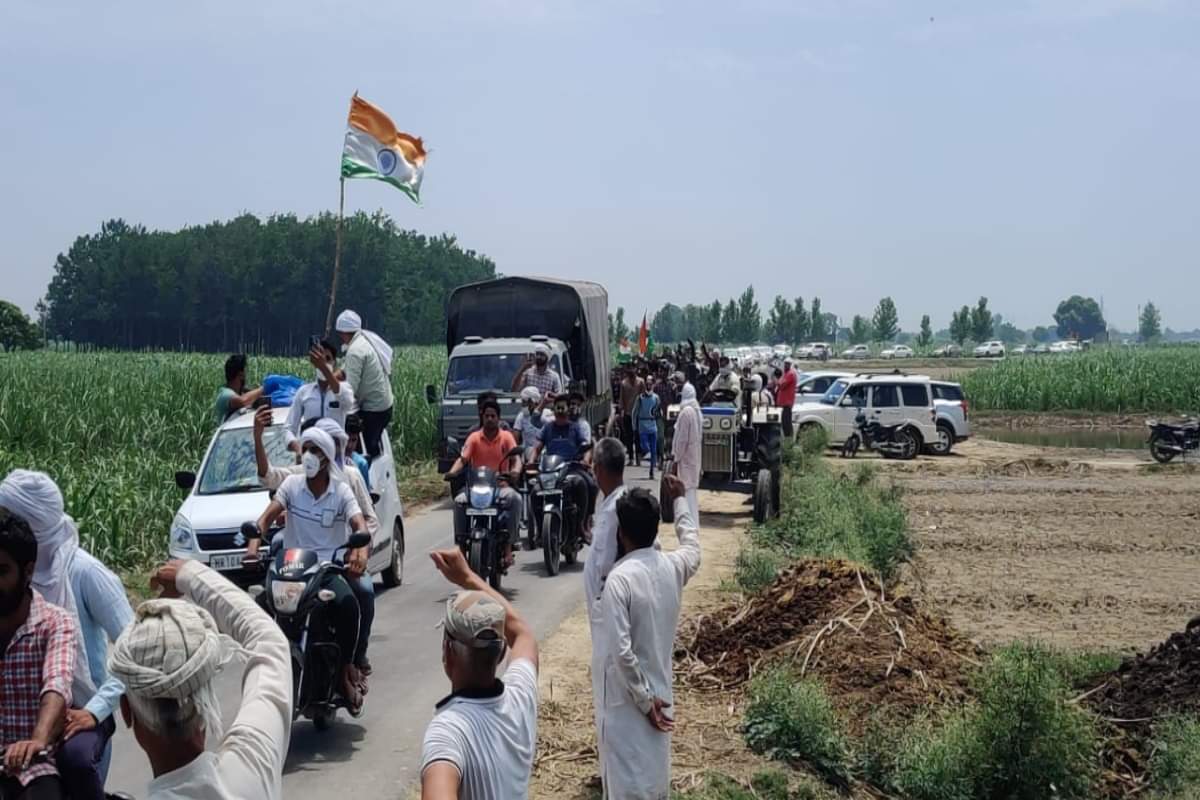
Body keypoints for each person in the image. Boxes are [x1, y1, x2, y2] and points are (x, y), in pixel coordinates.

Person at [108, 558, 291, 800]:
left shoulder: (253, 759)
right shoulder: (252, 764)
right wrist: (190, 574)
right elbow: (269, 642)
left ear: (126, 712)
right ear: (206, 702)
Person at [0, 472, 134, 800]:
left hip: (82, 711)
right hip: (20, 712)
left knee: (75, 764)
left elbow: (136, 650)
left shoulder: (85, 573)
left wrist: (97, 710)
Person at [246, 426, 371, 708]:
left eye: (315, 450)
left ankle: (346, 670)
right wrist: (252, 548)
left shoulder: (341, 491)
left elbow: (359, 524)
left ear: (327, 457)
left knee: (349, 604)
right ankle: (261, 668)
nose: (309, 456)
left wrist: (359, 552)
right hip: (290, 568)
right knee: (261, 605)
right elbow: (265, 519)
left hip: (325, 571)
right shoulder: (291, 486)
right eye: (306, 449)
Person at [598, 479, 701, 800]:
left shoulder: (619, 580)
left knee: (626, 788)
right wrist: (681, 501)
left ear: (620, 533)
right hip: (662, 696)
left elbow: (621, 651)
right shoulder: (672, 566)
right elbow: (693, 548)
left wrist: (644, 701)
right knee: (655, 786)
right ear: (656, 528)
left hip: (629, 707)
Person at [420, 548, 539, 800]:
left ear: (447, 651)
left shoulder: (448, 731)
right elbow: (522, 633)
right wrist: (468, 577)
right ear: (501, 651)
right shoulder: (520, 697)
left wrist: (466, 578)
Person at [0, 509, 77, 800]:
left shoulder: (55, 623)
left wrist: (37, 739)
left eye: (2, 571)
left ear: (28, 571)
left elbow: (57, 684)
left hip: (34, 764)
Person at [583, 438, 627, 766]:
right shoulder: (610, 502)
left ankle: (610, 764)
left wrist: (601, 603)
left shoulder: (615, 510)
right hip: (601, 612)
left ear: (598, 469)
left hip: (606, 612)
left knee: (607, 689)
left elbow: (608, 565)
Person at [445, 400, 523, 569]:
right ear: (482, 417)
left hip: (501, 487)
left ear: (498, 418)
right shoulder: (474, 437)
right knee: (459, 501)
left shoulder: (506, 437)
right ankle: (461, 545)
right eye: (486, 416)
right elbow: (463, 459)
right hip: (477, 488)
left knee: (515, 499)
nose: (489, 419)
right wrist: (452, 472)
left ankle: (509, 546)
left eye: (492, 416)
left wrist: (515, 471)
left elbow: (516, 459)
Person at [529, 396, 596, 535]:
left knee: (587, 484)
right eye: (557, 407)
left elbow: (586, 447)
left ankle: (582, 525)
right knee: (535, 492)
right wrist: (531, 461)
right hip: (551, 472)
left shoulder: (576, 428)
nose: (560, 410)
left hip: (573, 469)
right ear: (553, 409)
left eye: (562, 407)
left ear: (567, 410)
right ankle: (541, 529)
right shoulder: (547, 428)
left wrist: (585, 459)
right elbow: (537, 448)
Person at [335, 309, 394, 460]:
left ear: (343, 332)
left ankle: (367, 475)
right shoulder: (363, 341)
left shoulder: (355, 351)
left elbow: (350, 389)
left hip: (374, 410)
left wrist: (332, 395)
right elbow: (345, 371)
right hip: (383, 406)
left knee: (361, 445)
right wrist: (329, 378)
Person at [285, 339, 357, 447]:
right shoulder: (304, 392)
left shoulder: (344, 389)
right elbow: (289, 428)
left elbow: (348, 402)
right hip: (310, 455)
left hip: (335, 456)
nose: (323, 362)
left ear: (334, 363)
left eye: (328, 359)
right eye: (320, 359)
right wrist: (297, 447)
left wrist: (323, 367)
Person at [671, 382, 703, 523]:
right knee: (691, 498)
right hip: (694, 459)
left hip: (685, 461)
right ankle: (693, 528)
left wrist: (676, 457)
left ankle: (689, 529)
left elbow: (681, 440)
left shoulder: (686, 413)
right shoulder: (696, 412)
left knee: (686, 498)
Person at [214, 354, 263, 425]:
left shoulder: (238, 392)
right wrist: (264, 388)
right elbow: (243, 401)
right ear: (241, 375)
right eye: (246, 372)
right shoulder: (226, 394)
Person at [631, 382, 660, 480]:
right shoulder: (640, 398)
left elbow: (658, 410)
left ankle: (651, 470)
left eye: (650, 384)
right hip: (642, 424)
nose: (649, 386)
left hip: (653, 424)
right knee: (644, 445)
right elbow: (634, 412)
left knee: (653, 450)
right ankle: (647, 455)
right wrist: (634, 426)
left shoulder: (656, 398)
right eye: (647, 384)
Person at [512, 387, 549, 461]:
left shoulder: (547, 414)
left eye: (524, 402)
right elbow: (515, 439)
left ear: (533, 402)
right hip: (528, 451)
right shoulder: (521, 416)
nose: (522, 405)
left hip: (545, 451)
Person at [618, 369, 643, 466]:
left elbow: (643, 396)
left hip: (638, 413)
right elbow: (622, 398)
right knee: (629, 436)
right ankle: (631, 458)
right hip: (628, 413)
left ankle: (638, 457)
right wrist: (622, 411)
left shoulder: (640, 382)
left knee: (638, 436)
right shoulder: (624, 383)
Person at [344, 414, 372, 490]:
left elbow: (365, 495)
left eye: (353, 440)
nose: (349, 446)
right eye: (346, 440)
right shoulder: (329, 461)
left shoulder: (361, 464)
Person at [775, 359, 798, 437]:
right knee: (784, 423)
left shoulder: (791, 374)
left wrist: (777, 381)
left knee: (786, 424)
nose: (786, 365)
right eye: (785, 364)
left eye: (788, 364)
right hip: (783, 403)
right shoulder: (786, 373)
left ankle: (789, 442)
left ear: (791, 364)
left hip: (787, 403)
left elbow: (781, 385)